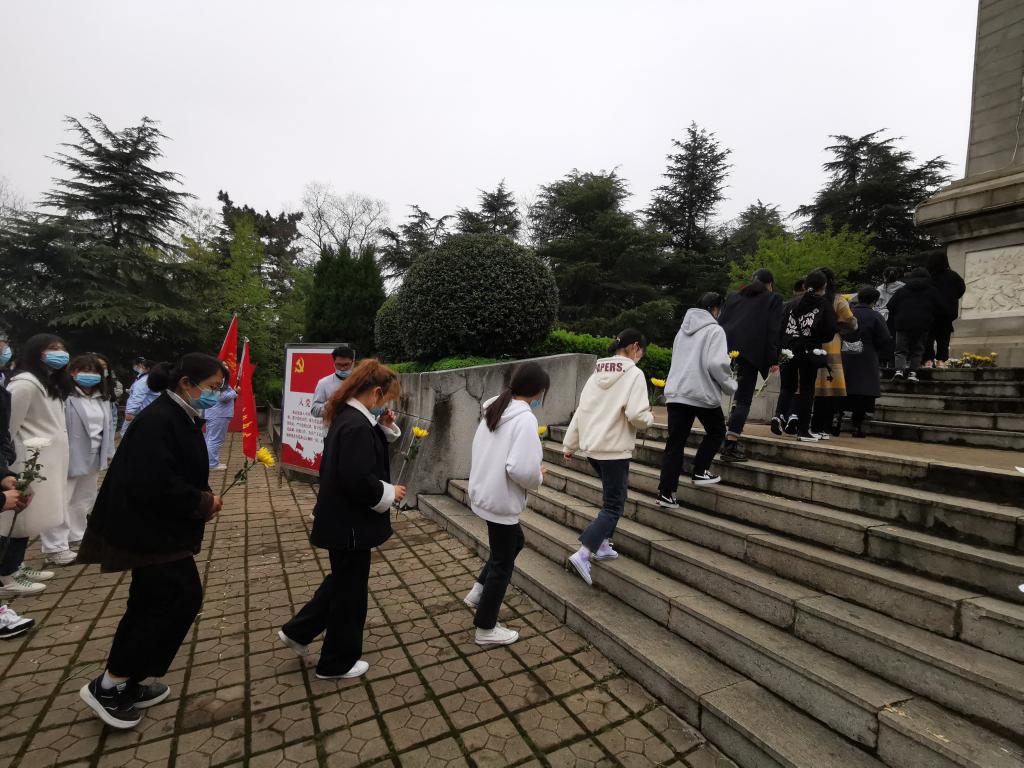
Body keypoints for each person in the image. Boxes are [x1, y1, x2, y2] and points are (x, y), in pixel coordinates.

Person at [76, 354, 225, 729]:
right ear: (187, 383)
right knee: (178, 598)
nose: (217, 394)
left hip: (159, 529)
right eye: (212, 387)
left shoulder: (178, 414)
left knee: (150, 602)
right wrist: (201, 502)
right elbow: (155, 482)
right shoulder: (159, 419)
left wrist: (202, 497)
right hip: (148, 533)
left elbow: (177, 469)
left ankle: (128, 680)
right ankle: (109, 686)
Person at [279, 360, 404, 680]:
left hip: (343, 519)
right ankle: (336, 662)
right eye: (385, 399)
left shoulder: (350, 417)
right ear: (375, 392)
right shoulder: (355, 425)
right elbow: (357, 479)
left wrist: (383, 426)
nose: (384, 405)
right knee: (350, 594)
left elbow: (361, 456)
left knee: (343, 581)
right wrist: (390, 492)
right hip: (350, 523)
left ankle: (298, 631)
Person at [464, 363, 549, 647]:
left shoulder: (496, 409)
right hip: (501, 499)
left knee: (513, 544)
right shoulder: (524, 419)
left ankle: (478, 591)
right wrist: (537, 475)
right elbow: (521, 469)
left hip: (487, 493)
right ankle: (485, 628)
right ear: (539, 391)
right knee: (503, 563)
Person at [562, 330, 654, 586]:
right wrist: (649, 418)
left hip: (593, 450)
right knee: (614, 505)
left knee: (613, 498)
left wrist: (570, 444)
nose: (641, 356)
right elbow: (636, 415)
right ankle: (584, 553)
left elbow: (581, 411)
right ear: (634, 347)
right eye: (642, 351)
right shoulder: (634, 374)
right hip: (615, 451)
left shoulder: (595, 375)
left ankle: (603, 545)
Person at [657, 293, 737, 506]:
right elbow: (717, 364)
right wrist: (730, 385)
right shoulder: (715, 331)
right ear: (714, 309)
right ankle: (700, 471)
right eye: (719, 309)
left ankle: (666, 493)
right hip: (701, 392)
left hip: (677, 392)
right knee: (717, 431)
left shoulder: (681, 332)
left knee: (675, 443)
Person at [6, 334, 73, 575]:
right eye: (52, 348)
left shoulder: (48, 383)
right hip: (26, 461)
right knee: (18, 518)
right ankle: (8, 573)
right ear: (36, 352)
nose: (60, 353)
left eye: (62, 348)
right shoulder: (24, 384)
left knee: (31, 518)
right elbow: (8, 428)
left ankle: (17, 566)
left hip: (45, 462)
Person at [717, 269, 784, 462]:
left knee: (733, 397)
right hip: (751, 354)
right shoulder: (773, 299)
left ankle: (726, 431)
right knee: (744, 400)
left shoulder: (734, 297)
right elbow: (773, 330)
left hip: (727, 352)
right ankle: (730, 443)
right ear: (770, 284)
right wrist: (773, 359)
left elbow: (721, 323)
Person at [57, 355, 115, 551]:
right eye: (85, 370)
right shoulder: (65, 397)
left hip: (94, 455)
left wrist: (109, 450)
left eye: (95, 371)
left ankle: (77, 535)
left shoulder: (102, 398)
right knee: (64, 498)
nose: (91, 375)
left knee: (85, 498)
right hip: (70, 456)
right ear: (73, 372)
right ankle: (57, 544)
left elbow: (108, 426)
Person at [773, 271, 838, 441]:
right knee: (807, 389)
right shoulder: (823, 304)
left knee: (787, 386)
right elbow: (830, 330)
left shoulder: (791, 303)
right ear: (824, 286)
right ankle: (803, 430)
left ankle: (778, 416)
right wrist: (816, 338)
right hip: (808, 350)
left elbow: (780, 327)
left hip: (787, 349)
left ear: (806, 285)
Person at [811, 267, 857, 438]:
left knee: (811, 387)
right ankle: (825, 427)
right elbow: (851, 322)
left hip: (812, 344)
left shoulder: (808, 299)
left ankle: (811, 426)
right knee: (830, 388)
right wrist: (840, 329)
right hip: (831, 344)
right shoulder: (838, 300)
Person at [841, 287, 893, 437]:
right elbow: (885, 338)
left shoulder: (849, 313)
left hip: (845, 353)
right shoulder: (875, 316)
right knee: (863, 390)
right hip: (867, 355)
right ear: (874, 301)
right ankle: (857, 426)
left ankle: (836, 420)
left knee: (844, 387)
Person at [886, 267, 947, 383]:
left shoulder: (902, 290)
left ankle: (899, 371)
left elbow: (890, 306)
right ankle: (912, 373)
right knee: (917, 350)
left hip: (902, 324)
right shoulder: (932, 291)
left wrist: (898, 315)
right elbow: (940, 308)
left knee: (900, 350)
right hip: (922, 325)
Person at [925, 252, 966, 368]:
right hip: (947, 312)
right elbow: (961, 289)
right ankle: (941, 361)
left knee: (928, 337)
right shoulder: (953, 276)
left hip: (931, 312)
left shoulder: (929, 276)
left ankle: (928, 361)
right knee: (943, 338)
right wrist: (951, 297)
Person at [203, 365, 238, 471]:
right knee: (215, 439)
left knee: (210, 438)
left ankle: (208, 461)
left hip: (214, 413)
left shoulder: (211, 379)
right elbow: (223, 397)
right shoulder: (219, 381)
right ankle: (212, 463)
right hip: (219, 414)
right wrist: (235, 392)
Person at [310, 345, 356, 418]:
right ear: (334, 363)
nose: (342, 368)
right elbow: (314, 410)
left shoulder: (361, 381)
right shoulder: (324, 383)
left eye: (346, 364)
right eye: (339, 365)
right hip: (333, 424)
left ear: (353, 362)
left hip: (355, 424)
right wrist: (331, 405)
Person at [875, 267, 905, 369]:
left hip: (882, 317)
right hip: (897, 315)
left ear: (884, 275)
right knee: (896, 342)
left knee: (883, 340)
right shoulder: (903, 287)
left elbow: (877, 305)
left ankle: (882, 363)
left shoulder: (880, 288)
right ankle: (893, 364)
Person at [121, 358, 158, 435]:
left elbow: (137, 396)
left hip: (138, 412)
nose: (141, 367)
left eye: (143, 366)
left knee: (128, 434)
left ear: (148, 369)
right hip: (145, 411)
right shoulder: (147, 378)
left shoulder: (144, 380)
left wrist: (130, 412)